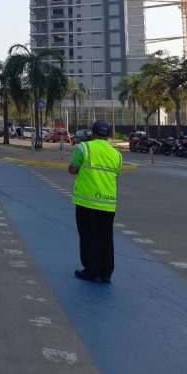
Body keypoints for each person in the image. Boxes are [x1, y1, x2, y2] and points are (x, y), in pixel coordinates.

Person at [69, 119, 123, 283]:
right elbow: (116, 177)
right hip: (108, 203)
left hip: (87, 201)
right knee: (106, 238)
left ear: (92, 133)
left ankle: (92, 272)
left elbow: (72, 169)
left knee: (88, 236)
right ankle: (106, 273)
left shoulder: (83, 148)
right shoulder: (117, 155)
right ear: (108, 136)